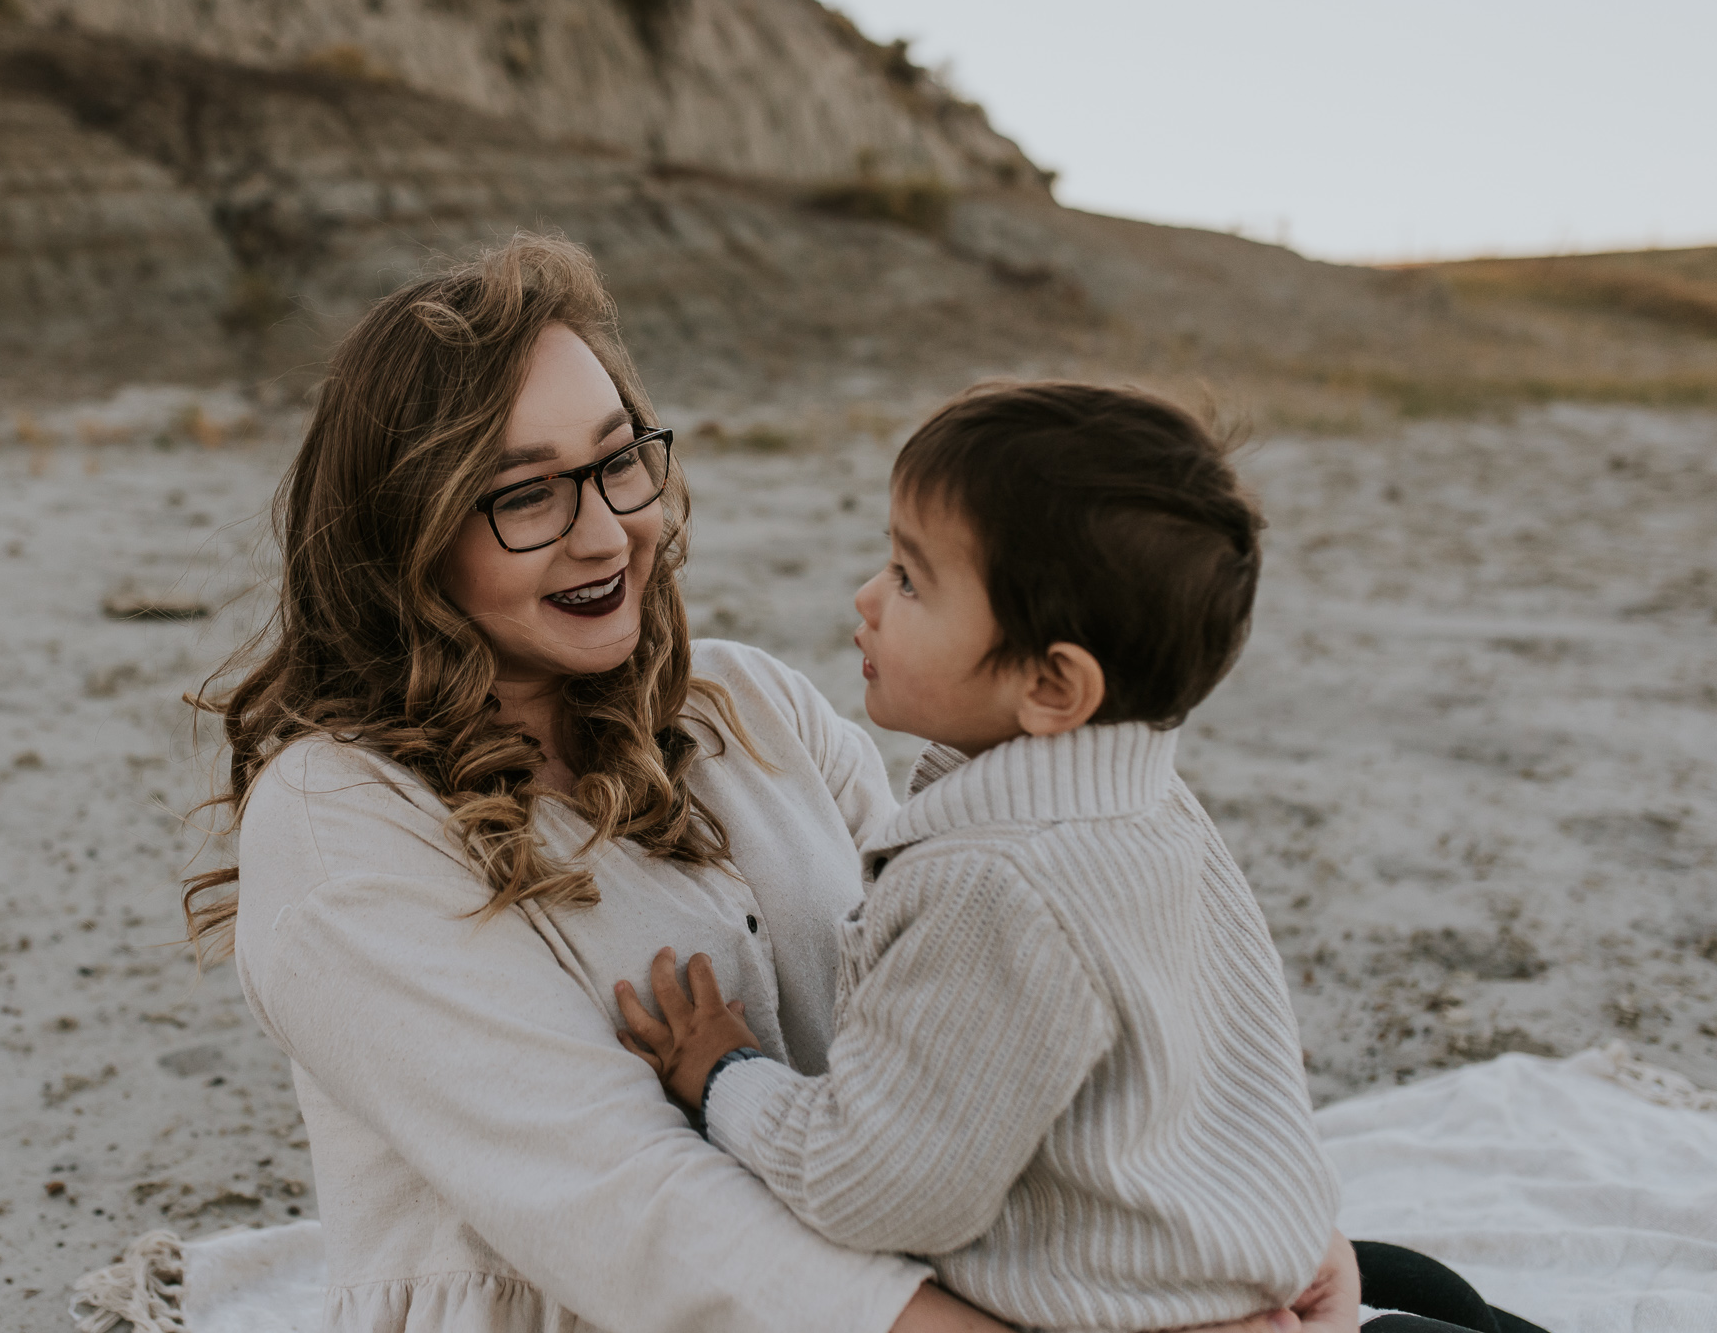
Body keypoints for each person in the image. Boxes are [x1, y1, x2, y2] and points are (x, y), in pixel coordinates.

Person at [185, 232, 1362, 1333]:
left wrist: (1292, 1238)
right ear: (406, 532)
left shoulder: (744, 706)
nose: (602, 535)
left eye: (615, 462)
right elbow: (625, 1201)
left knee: (1409, 1295)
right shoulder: (341, 820)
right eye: (526, 492)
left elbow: (976, 1018)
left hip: (896, 1261)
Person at [617, 384, 1548, 1333]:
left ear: (1054, 683)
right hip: (1223, 1265)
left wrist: (727, 1075)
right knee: (1424, 1293)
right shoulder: (1145, 798)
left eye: (909, 580)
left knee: (1419, 1298)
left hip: (1132, 1309)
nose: (866, 596)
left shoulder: (996, 886)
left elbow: (877, 1186)